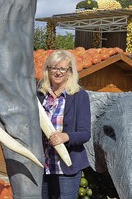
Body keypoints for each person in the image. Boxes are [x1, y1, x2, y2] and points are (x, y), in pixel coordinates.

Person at [37, 50, 91, 199]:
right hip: (43, 166)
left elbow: (85, 133)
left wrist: (65, 136)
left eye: (62, 69)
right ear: (48, 70)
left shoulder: (79, 96)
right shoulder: (40, 96)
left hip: (67, 167)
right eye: (53, 68)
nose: (58, 72)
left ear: (70, 72)